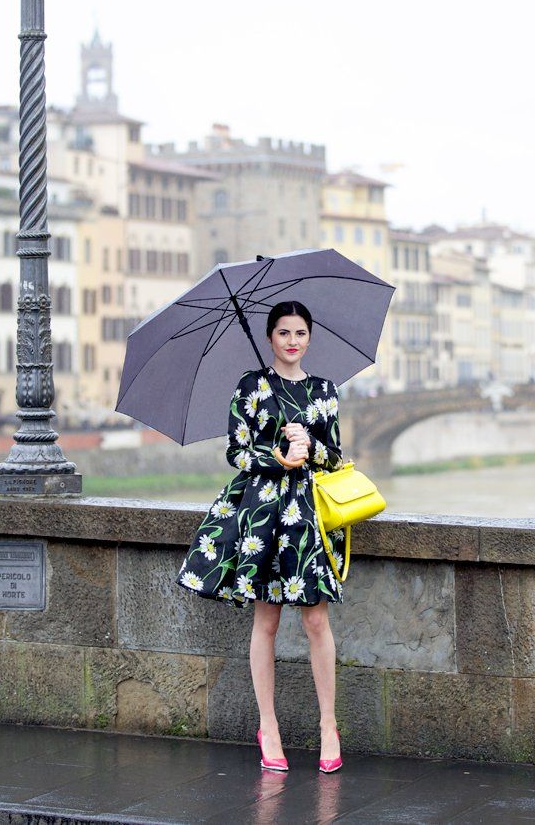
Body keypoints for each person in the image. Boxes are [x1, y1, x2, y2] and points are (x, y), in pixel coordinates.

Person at [176, 300, 345, 773]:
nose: (293, 341)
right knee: (266, 623)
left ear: (310, 338)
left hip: (305, 514)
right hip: (261, 514)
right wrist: (277, 458)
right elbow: (235, 452)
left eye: (301, 333)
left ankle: (327, 725)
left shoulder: (324, 390)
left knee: (316, 621)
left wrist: (310, 447)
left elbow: (336, 456)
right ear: (270, 337)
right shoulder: (251, 386)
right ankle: (268, 727)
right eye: (284, 333)